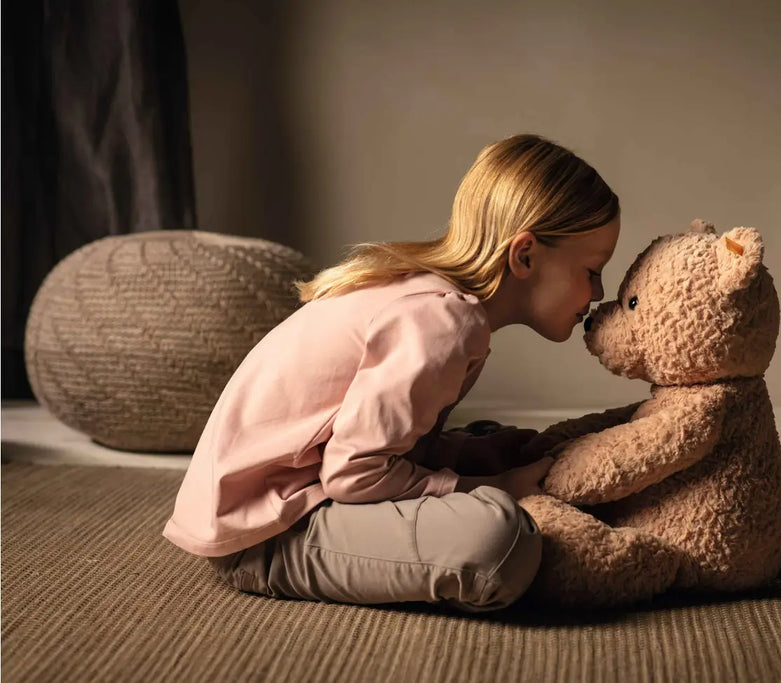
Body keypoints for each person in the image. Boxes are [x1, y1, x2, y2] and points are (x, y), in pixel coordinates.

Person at [163, 133, 622, 612]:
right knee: (500, 542)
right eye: (592, 270)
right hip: (268, 531)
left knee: (508, 445)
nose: (597, 291)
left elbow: (379, 444)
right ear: (524, 255)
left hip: (296, 490)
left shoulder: (435, 303)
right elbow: (354, 477)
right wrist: (498, 488)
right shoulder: (442, 322)